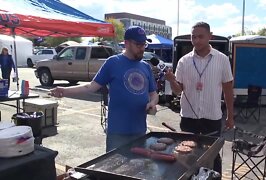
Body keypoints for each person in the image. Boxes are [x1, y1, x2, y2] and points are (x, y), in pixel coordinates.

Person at [50, 26, 159, 151]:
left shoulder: (145, 67)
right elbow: (90, 87)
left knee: (139, 167)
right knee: (114, 168)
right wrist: (64, 91)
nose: (142, 48)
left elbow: (153, 94)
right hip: (118, 133)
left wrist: (152, 103)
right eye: (138, 44)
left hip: (140, 131)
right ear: (127, 43)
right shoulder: (113, 62)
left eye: (144, 44)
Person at [165, 22, 234, 177]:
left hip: (212, 118)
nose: (196, 40)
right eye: (193, 37)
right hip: (188, 118)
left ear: (210, 36)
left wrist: (230, 116)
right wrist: (171, 80)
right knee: (186, 155)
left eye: (200, 37)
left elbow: (228, 90)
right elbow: (178, 91)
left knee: (212, 155)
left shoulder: (222, 59)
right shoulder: (184, 61)